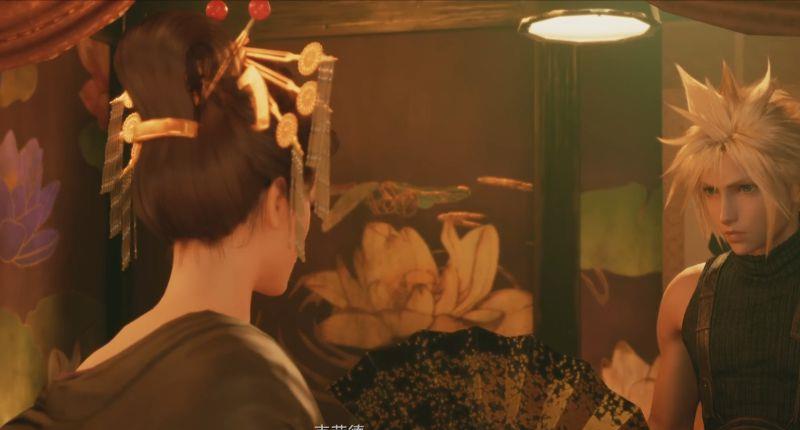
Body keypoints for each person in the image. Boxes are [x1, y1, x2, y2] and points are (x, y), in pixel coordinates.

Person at [3, 10, 333, 429]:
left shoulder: (96, 366)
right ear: (278, 202)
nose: (308, 225)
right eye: (307, 201)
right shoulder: (258, 379)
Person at [650, 62, 800, 429]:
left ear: (794, 187)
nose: (724, 214)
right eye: (710, 191)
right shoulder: (686, 296)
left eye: (745, 188)